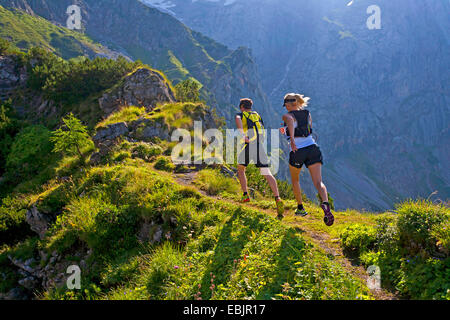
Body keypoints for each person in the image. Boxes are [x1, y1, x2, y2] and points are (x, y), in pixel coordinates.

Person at [280, 93, 334, 226]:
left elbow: (291, 122)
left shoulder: (287, 116)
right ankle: (326, 204)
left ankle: (300, 208)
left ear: (287, 104)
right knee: (318, 182)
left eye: (285, 105)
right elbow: (307, 128)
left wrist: (291, 138)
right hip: (313, 148)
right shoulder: (307, 114)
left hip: (298, 150)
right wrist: (287, 131)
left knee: (295, 179)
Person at [235, 98, 284, 218]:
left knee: (241, 169)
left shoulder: (240, 115)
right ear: (250, 106)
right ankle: (277, 198)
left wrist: (243, 135)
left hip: (249, 145)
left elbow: (238, 121)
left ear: (242, 106)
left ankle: (245, 195)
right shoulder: (256, 115)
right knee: (266, 172)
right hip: (259, 146)